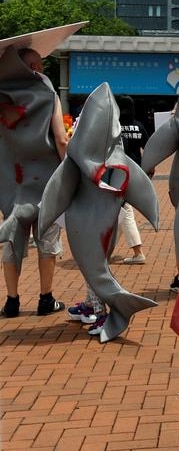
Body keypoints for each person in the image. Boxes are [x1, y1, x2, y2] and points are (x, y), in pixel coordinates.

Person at [1, 47, 68, 318]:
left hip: (12, 185)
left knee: (12, 242)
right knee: (47, 241)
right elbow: (61, 140)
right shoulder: (48, 95)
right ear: (33, 67)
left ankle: (12, 302)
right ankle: (45, 299)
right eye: (39, 64)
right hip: (45, 183)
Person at [116, 95, 149, 265]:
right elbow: (148, 147)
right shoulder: (139, 126)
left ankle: (138, 252)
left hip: (119, 174)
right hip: (137, 174)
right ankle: (106, 249)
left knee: (125, 210)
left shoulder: (115, 127)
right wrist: (149, 168)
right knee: (118, 210)